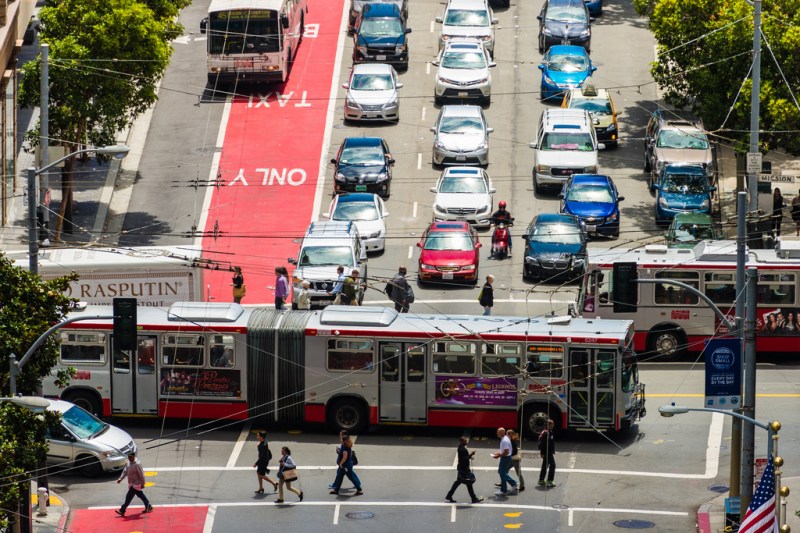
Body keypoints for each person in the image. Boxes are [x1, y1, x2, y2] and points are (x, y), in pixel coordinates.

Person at [445, 437, 484, 503]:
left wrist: (469, 456)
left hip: (461, 468)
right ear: (461, 442)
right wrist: (471, 454)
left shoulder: (460, 447)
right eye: (465, 441)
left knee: (458, 482)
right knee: (469, 483)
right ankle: (474, 498)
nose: (467, 442)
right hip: (464, 469)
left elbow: (463, 457)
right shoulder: (463, 449)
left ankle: (449, 495)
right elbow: (464, 459)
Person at [491, 427, 518, 496]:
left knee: (502, 473)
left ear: (501, 433)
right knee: (501, 472)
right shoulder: (505, 438)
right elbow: (505, 450)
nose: (496, 433)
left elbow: (506, 452)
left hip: (505, 458)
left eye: (498, 432)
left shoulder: (504, 441)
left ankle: (504, 490)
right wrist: (498, 453)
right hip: (506, 457)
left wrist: (498, 456)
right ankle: (513, 484)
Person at [538, 419, 556, 488]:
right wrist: (542, 453)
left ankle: (541, 480)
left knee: (545, 466)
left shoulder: (548, 431)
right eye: (552, 424)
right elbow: (543, 444)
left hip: (548, 452)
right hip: (547, 452)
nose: (553, 425)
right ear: (548, 425)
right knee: (553, 465)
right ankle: (550, 480)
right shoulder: (546, 433)